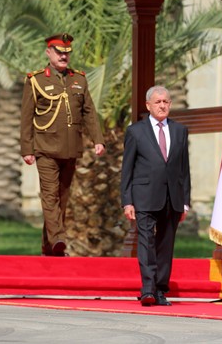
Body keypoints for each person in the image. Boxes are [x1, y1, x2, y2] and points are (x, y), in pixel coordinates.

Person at [20, 33, 105, 257]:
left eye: (67, 53)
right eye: (59, 52)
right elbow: (26, 117)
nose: (63, 56)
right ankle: (58, 237)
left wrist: (98, 139)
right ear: (48, 52)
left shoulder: (79, 79)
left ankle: (49, 247)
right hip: (45, 148)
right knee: (49, 196)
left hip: (71, 148)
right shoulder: (36, 80)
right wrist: (27, 149)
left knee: (62, 197)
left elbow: (89, 112)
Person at [120, 85, 191, 307]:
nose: (162, 105)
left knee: (165, 245)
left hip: (173, 198)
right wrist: (127, 200)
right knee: (146, 242)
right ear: (148, 105)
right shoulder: (136, 132)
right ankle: (148, 289)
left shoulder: (180, 131)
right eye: (158, 102)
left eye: (166, 102)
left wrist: (186, 202)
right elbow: (127, 170)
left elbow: (184, 169)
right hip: (144, 197)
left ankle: (160, 290)